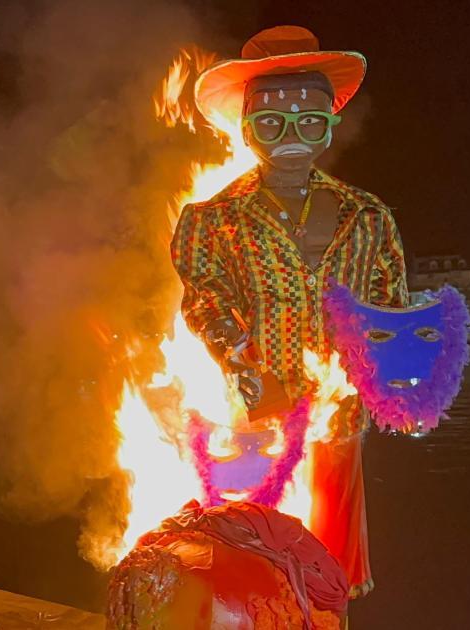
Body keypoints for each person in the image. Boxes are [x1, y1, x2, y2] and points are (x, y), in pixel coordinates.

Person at [172, 25, 408, 599]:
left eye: (309, 122)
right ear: (247, 129)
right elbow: (205, 303)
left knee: (333, 564)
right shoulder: (211, 219)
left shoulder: (369, 216)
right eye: (272, 123)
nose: (292, 137)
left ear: (330, 124)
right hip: (253, 420)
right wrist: (253, 375)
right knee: (259, 556)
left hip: (339, 417)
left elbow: (390, 309)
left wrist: (400, 386)